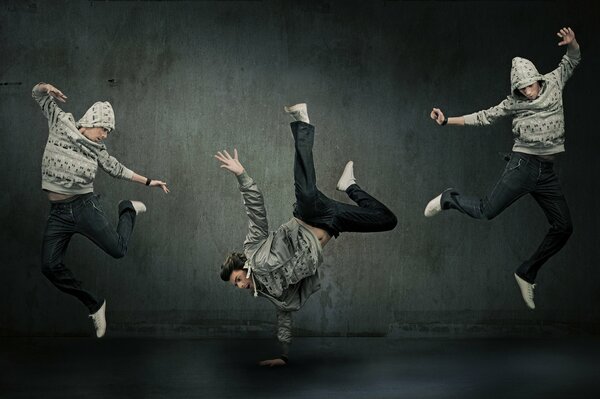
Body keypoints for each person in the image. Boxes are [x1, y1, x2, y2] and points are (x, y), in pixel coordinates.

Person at [215, 103, 397, 366]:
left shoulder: (254, 249)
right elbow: (285, 317)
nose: (241, 285)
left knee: (306, 189)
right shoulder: (273, 294)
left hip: (309, 216)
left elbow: (256, 211)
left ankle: (302, 122)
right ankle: (350, 185)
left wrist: (242, 175)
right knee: (387, 220)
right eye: (237, 285)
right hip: (334, 225)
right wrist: (283, 356)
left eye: (238, 279)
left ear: (243, 267)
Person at [424, 27, 581, 310]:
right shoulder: (514, 102)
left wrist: (572, 44)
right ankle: (449, 199)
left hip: (546, 173)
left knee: (564, 227)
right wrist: (447, 121)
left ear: (537, 79)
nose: (527, 92)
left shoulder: (554, 82)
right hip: (523, 164)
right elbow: (484, 117)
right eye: (521, 89)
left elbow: (571, 60)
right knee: (486, 211)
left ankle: (526, 273)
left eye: (529, 86)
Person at [32, 82, 170, 338]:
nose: (106, 135)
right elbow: (38, 96)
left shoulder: (99, 150)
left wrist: (150, 182)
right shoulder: (61, 123)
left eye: (108, 131)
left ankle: (127, 209)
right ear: (92, 120)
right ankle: (94, 305)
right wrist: (44, 87)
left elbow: (118, 169)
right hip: (58, 213)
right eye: (104, 129)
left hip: (83, 207)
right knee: (49, 266)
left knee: (118, 250)